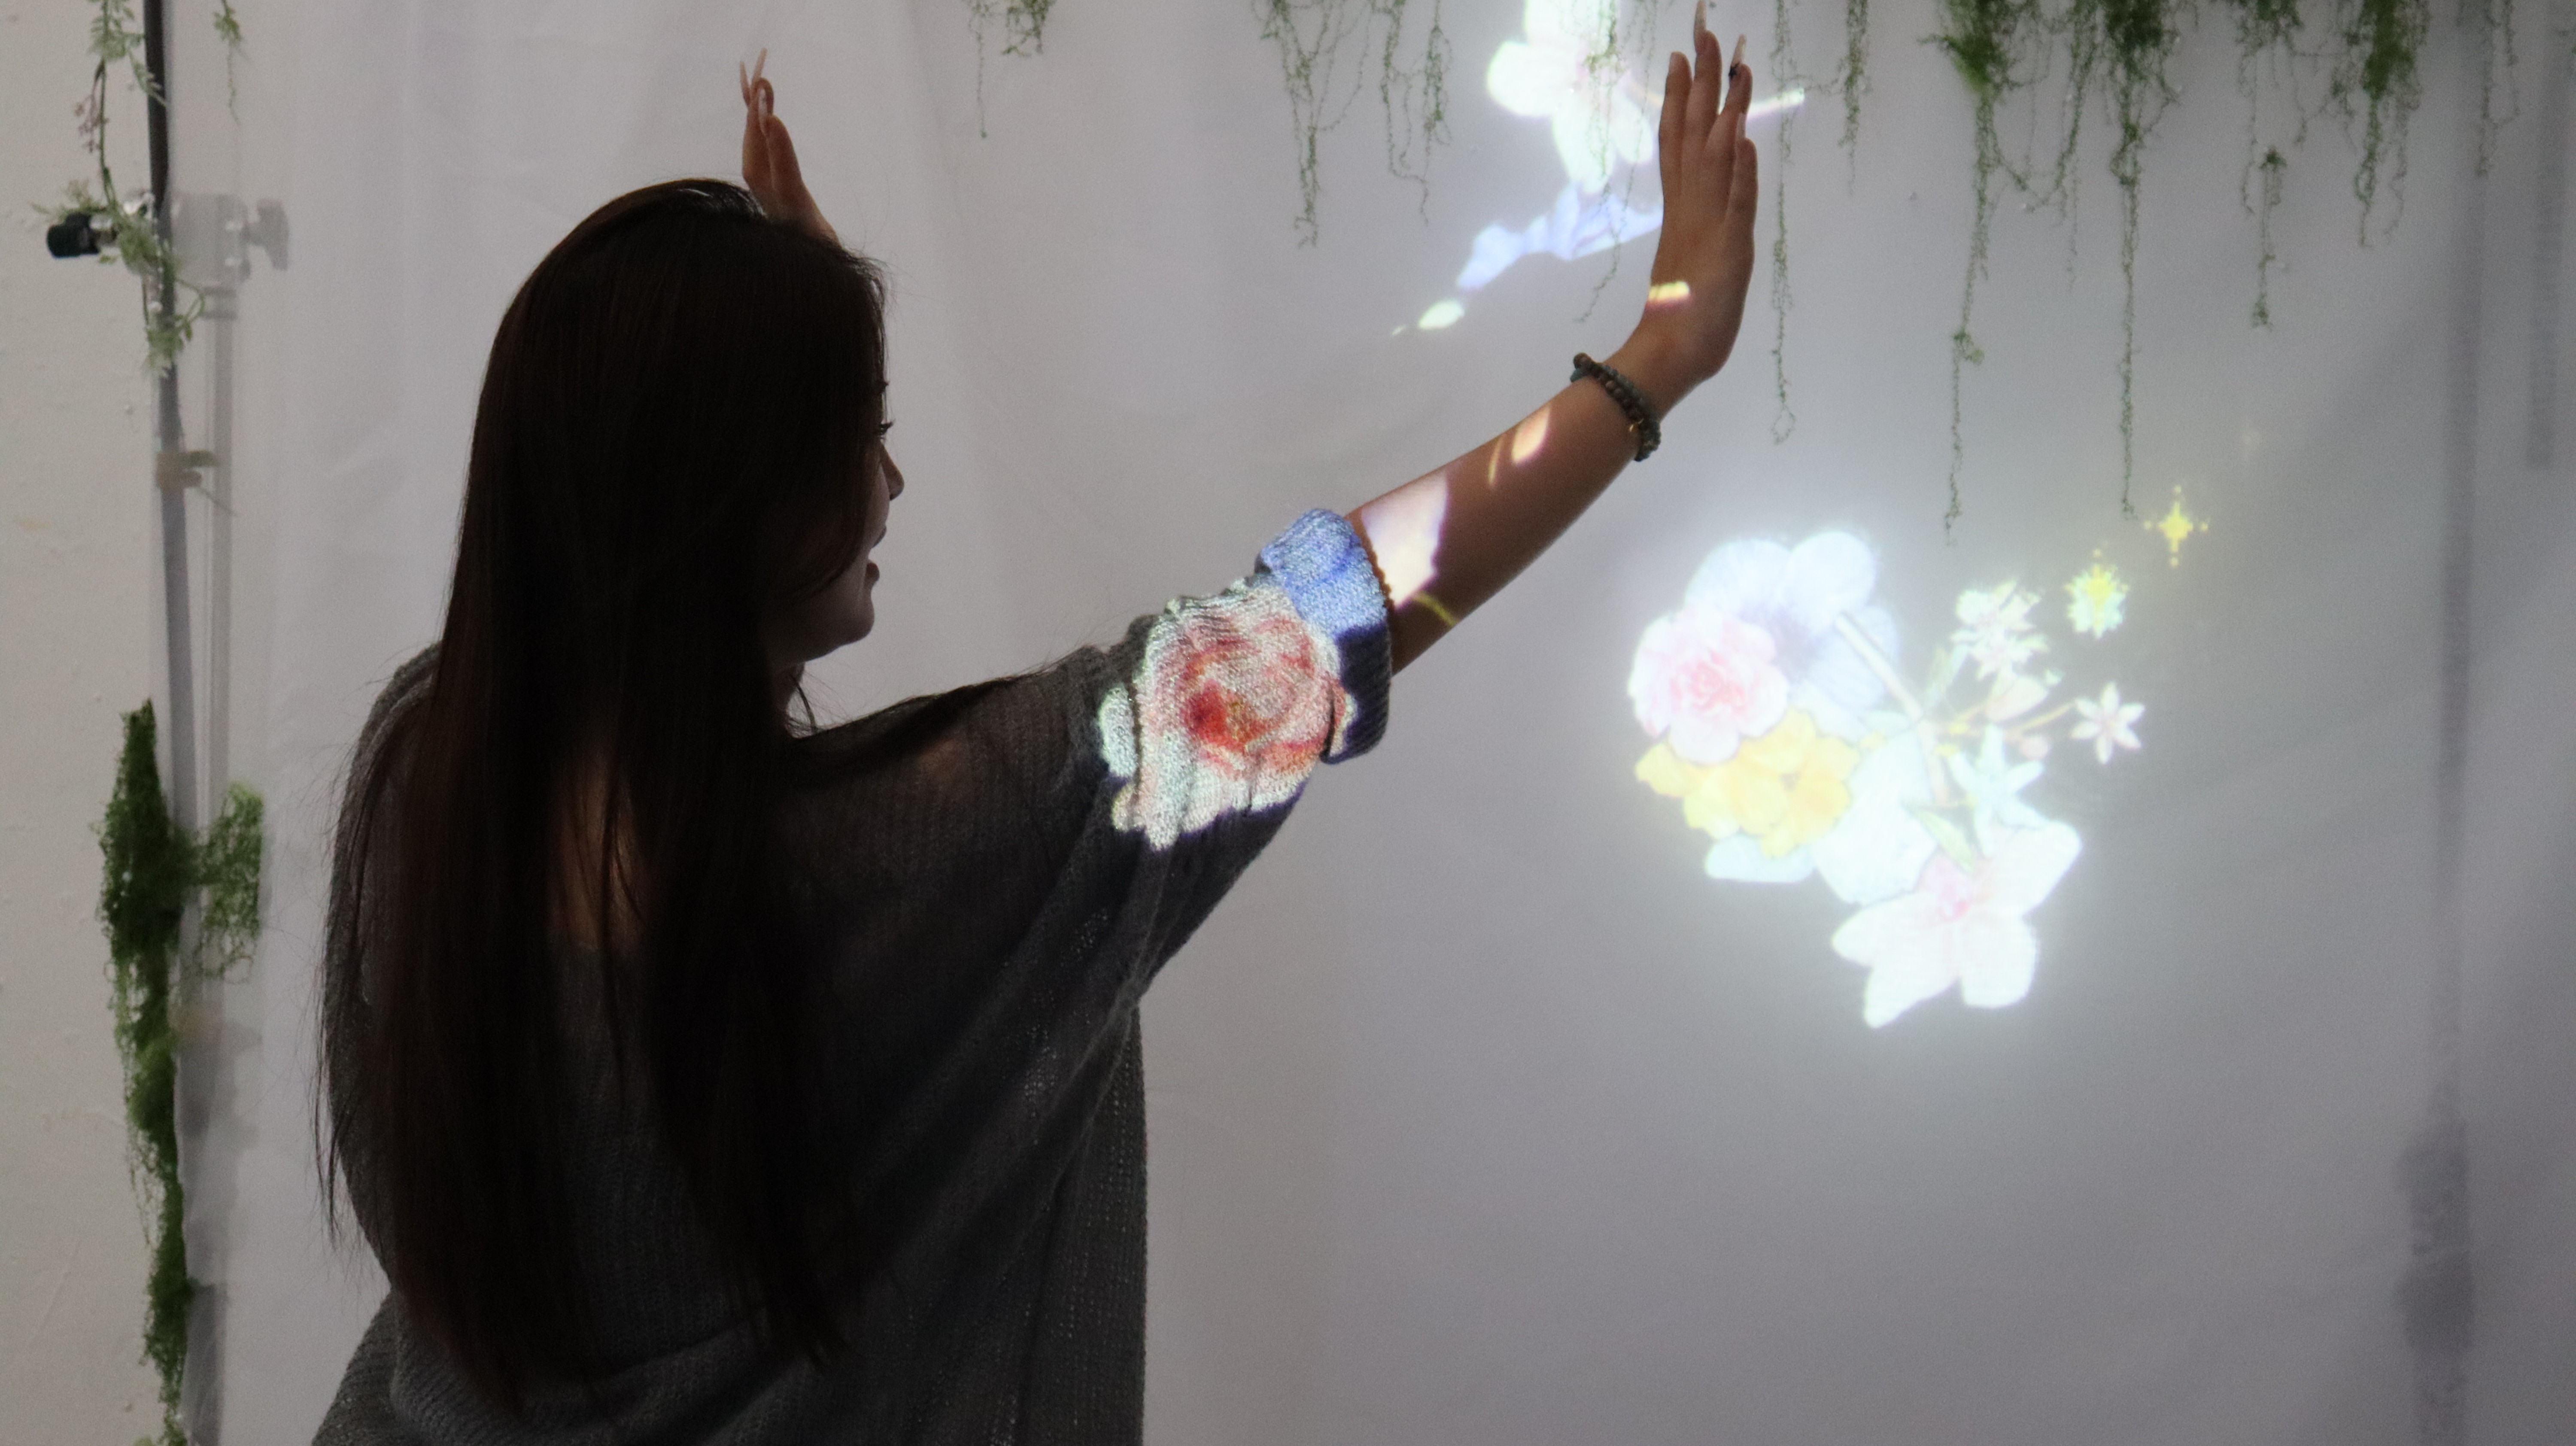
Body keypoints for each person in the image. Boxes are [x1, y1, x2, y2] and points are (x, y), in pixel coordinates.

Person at [315, 14, 1759, 1444]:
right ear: (744, 498)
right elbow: (1320, 627)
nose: (891, 485)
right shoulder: (932, 849)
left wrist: (787, 340)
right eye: (862, 435)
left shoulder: (428, 772)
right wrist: (1659, 359)